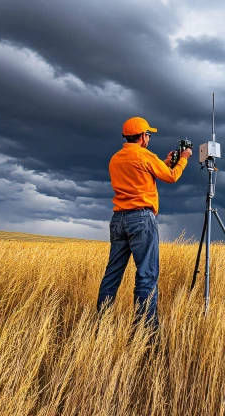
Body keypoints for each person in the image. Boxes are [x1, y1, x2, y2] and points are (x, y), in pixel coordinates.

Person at [96, 116, 192, 329]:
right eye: (148, 134)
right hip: (141, 219)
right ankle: (145, 333)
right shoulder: (145, 155)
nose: (149, 137)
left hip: (118, 219)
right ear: (141, 137)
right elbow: (171, 177)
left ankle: (101, 326)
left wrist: (164, 162)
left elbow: (141, 174)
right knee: (146, 275)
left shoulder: (116, 158)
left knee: (112, 274)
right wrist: (183, 158)